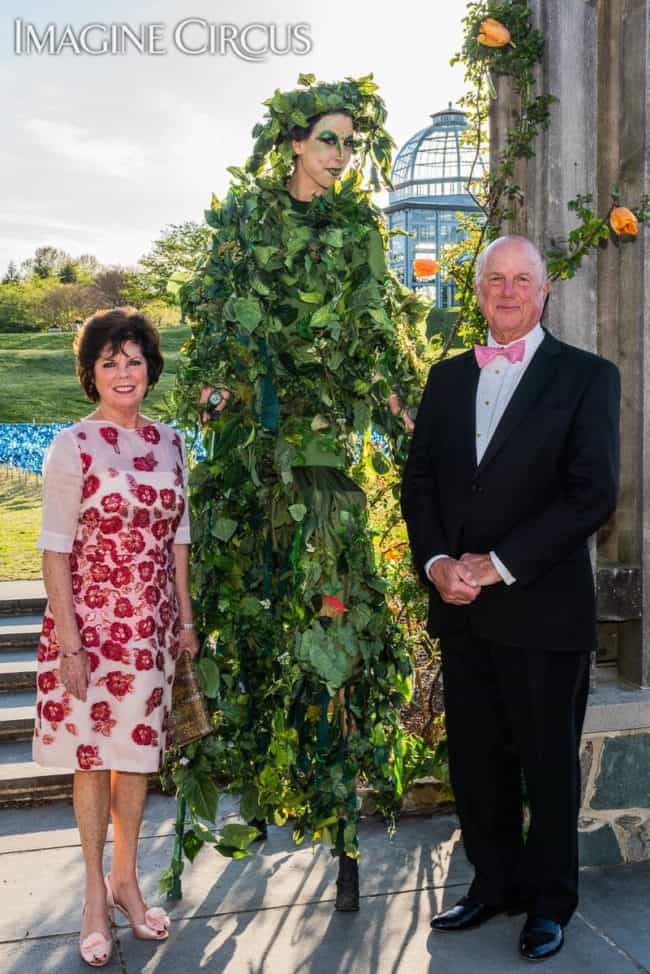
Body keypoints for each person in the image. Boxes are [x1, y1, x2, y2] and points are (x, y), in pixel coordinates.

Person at [172, 74, 425, 911]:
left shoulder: (358, 226)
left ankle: (344, 833)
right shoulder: (244, 219)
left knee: (336, 623)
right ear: (290, 142)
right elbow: (211, 318)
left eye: (352, 143)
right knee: (246, 627)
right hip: (253, 455)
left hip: (322, 459)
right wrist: (213, 385)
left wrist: (398, 404)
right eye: (329, 139)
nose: (342, 155)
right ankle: (250, 784)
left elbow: (369, 331)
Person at [401, 236, 620, 961]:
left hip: (543, 607)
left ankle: (550, 902)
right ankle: (492, 884)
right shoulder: (444, 378)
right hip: (461, 609)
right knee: (476, 760)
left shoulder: (588, 377)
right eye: (494, 279)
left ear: (545, 290)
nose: (507, 291)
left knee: (547, 763)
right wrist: (436, 563)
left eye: (521, 279)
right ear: (477, 290)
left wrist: (495, 565)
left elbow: (591, 493)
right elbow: (423, 484)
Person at [33, 307, 199, 966]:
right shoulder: (71, 445)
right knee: (92, 761)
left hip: (151, 632)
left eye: (133, 360)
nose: (123, 372)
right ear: (91, 374)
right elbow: (53, 549)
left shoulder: (171, 442)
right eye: (110, 362)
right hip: (91, 632)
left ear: (149, 368)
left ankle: (127, 882)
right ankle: (94, 901)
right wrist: (69, 643)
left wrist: (185, 621)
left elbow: (179, 538)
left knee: (136, 759)